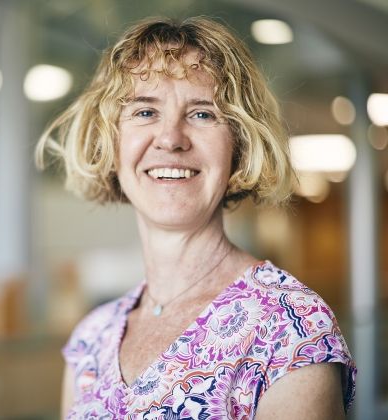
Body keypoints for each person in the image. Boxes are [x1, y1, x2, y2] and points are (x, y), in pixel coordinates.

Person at [36, 16, 356, 420]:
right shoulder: (90, 339)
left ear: (239, 145)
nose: (171, 138)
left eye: (202, 114)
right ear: (110, 141)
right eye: (144, 112)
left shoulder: (290, 329)